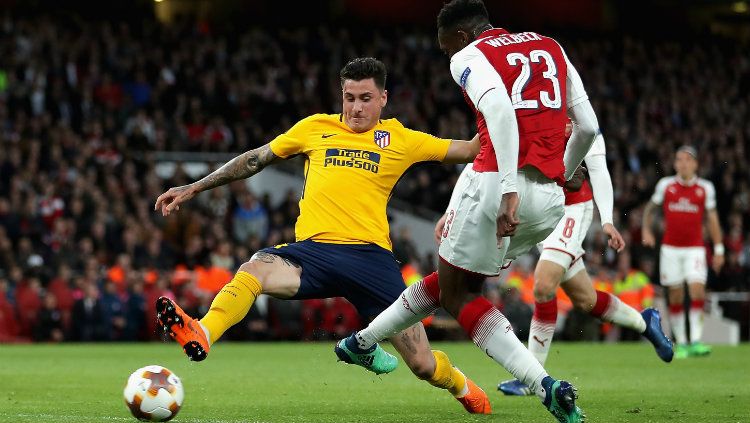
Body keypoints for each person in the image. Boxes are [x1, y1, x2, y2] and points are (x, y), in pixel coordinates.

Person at [154, 57, 491, 413]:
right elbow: (256, 159)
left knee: (422, 364)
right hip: (312, 254)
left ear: (384, 99)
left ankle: (462, 386)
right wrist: (195, 187)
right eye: (349, 98)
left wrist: (500, 111)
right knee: (255, 268)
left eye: (365, 98)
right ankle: (203, 332)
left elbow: (470, 150)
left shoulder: (401, 139)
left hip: (370, 260)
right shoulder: (315, 127)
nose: (356, 107)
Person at [335, 1, 602, 421]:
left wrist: (510, 189)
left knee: (459, 293)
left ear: (457, 36)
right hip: (550, 199)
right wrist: (563, 172)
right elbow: (587, 127)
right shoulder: (550, 46)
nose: (446, 57)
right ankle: (362, 342)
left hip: (499, 188)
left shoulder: (469, 54)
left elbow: (498, 114)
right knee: (449, 282)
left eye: (444, 49)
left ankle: (545, 385)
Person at [497, 131, 673, 397]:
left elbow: (599, 171)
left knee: (544, 285)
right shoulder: (530, 112)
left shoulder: (581, 119)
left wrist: (607, 221)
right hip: (543, 208)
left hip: (572, 209)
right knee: (586, 301)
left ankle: (531, 377)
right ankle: (644, 322)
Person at [642, 146, 724, 359]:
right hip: (670, 249)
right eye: (679, 159)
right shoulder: (666, 185)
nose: (683, 163)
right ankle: (682, 343)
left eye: (687, 160)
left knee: (697, 290)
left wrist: (719, 249)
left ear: (696, 164)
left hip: (695, 249)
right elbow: (650, 208)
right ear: (675, 163)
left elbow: (713, 219)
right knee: (675, 296)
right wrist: (646, 229)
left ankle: (696, 340)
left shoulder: (705, 188)